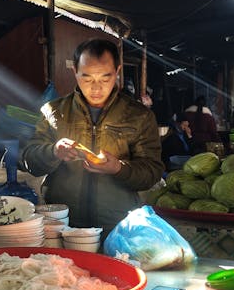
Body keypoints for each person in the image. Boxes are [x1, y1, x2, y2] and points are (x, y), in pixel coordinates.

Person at [21, 38, 164, 232]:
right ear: (75, 72)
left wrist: (118, 168)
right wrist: (54, 151)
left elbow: (152, 172)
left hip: (118, 226)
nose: (96, 88)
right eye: (87, 78)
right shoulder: (53, 111)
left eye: (105, 78)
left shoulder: (139, 116)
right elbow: (30, 160)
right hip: (61, 225)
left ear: (117, 72)